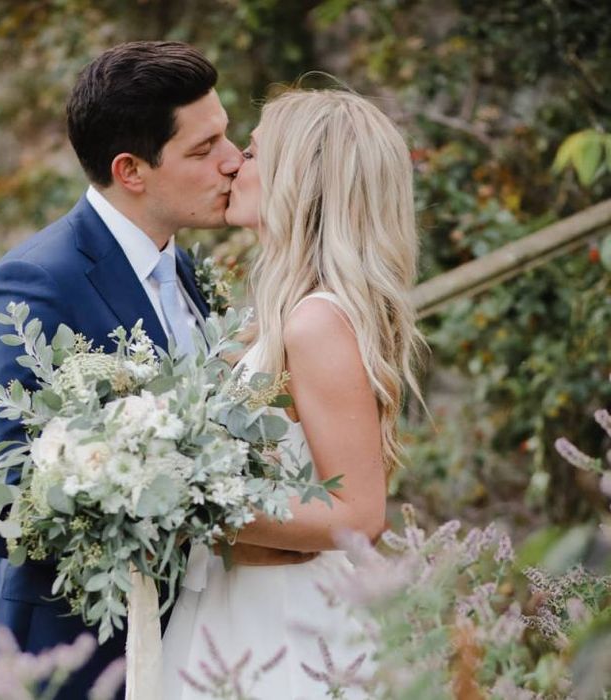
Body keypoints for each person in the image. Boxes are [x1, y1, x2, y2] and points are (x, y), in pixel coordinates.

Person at [0, 41, 312, 699]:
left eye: (228, 136)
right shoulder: (31, 287)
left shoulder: (189, 275)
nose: (234, 161)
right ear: (131, 170)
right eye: (203, 150)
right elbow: (12, 510)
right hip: (72, 658)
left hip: (193, 646)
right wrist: (227, 538)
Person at [162, 88, 426, 699]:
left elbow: (360, 513)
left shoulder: (317, 322)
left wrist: (197, 509)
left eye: (251, 153)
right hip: (242, 605)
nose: (232, 163)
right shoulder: (287, 317)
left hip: (283, 625)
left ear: (297, 180)